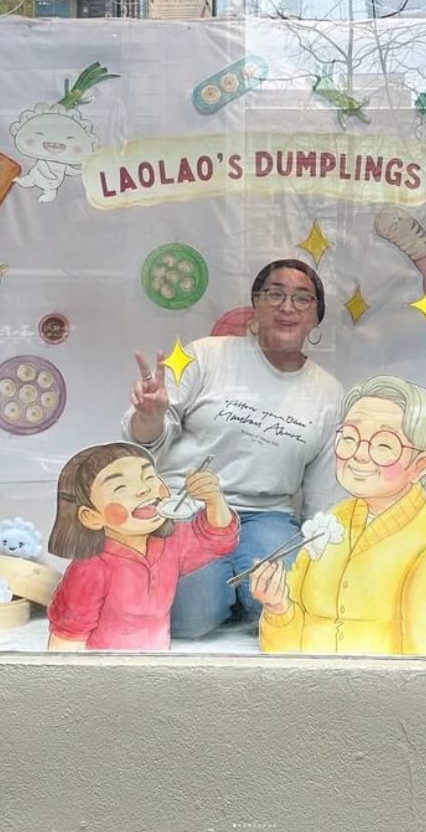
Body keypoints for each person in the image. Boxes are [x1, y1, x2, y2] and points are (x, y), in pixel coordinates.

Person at [124, 259, 343, 638]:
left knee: (281, 605)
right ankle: (220, 589)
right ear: (255, 305)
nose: (287, 306)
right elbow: (143, 442)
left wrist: (320, 553)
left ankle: (239, 591)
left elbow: (323, 494)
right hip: (188, 506)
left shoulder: (329, 392)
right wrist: (151, 414)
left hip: (268, 516)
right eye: (274, 294)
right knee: (189, 620)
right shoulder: (207, 355)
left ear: (316, 317)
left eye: (302, 298)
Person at [250, 375, 426, 656]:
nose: (358, 454)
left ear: (420, 466)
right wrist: (278, 606)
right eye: (349, 437)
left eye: (383, 445)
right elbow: (288, 648)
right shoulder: (332, 523)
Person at [45, 441, 237, 651]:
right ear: (91, 517)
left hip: (155, 670)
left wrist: (214, 500)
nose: (144, 490)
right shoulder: (89, 569)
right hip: (105, 678)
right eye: (121, 487)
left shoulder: (172, 543)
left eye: (149, 477)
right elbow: (65, 646)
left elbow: (217, 540)